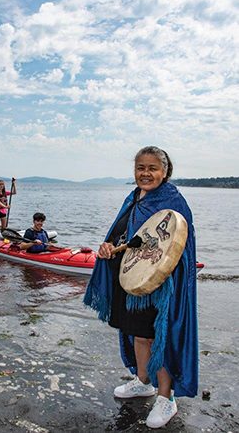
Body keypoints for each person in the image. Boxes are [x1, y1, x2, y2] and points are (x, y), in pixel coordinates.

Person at [83, 146, 198, 429]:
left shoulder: (172, 200)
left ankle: (166, 398)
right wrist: (109, 246)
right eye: (140, 168)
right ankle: (143, 382)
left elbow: (179, 244)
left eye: (152, 168)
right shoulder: (134, 196)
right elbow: (124, 234)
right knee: (137, 334)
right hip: (132, 278)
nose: (145, 174)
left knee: (160, 337)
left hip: (161, 285)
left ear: (165, 171)